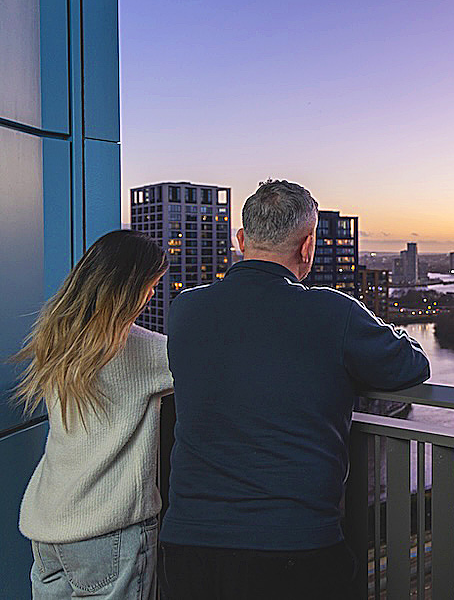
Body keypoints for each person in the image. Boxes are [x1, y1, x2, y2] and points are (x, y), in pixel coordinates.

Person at [161, 180, 430, 599]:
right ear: (308, 247)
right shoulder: (333, 312)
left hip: (189, 546)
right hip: (294, 546)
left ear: (241, 240)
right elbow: (411, 364)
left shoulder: (186, 309)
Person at [14, 230, 171, 599]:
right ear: (128, 287)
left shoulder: (54, 337)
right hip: (108, 532)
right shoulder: (140, 351)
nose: (151, 295)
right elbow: (215, 365)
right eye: (150, 285)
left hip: (50, 528)